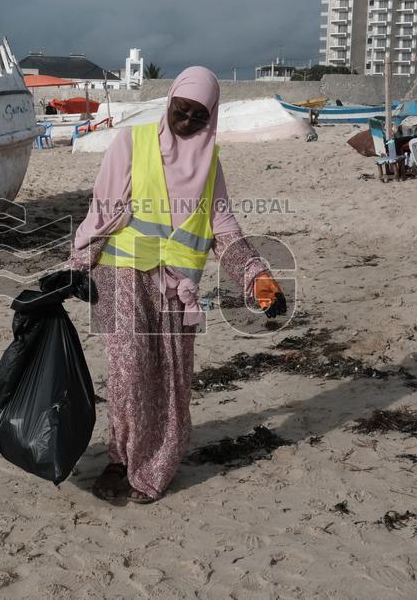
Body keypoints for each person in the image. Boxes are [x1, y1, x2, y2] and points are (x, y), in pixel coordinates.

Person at [67, 67, 288, 504]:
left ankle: (154, 467)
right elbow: (104, 210)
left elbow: (221, 226)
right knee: (128, 374)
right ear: (168, 101)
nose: (186, 123)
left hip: (179, 287)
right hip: (122, 272)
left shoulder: (211, 163)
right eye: (180, 111)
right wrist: (76, 265)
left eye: (198, 117)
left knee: (170, 377)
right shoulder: (130, 142)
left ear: (212, 117)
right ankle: (120, 459)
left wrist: (256, 277)